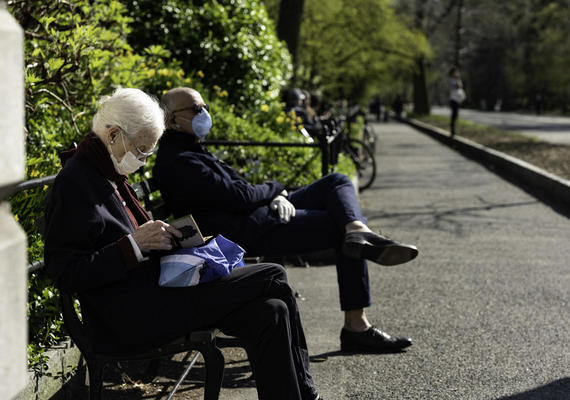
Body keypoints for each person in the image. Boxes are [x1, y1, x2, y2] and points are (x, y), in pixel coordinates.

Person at [43, 88, 323, 400]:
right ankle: (309, 395)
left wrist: (166, 238)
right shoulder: (77, 182)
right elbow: (66, 272)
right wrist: (133, 245)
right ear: (113, 135)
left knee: (271, 312)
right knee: (272, 275)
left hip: (157, 293)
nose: (144, 159)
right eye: (142, 149)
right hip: (130, 315)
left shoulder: (106, 172)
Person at [153, 87, 419, 353]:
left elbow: (240, 193)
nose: (205, 114)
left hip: (260, 214)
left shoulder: (190, 149)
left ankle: (357, 229)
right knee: (337, 230)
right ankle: (356, 326)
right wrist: (275, 189)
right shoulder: (179, 160)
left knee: (336, 181)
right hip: (251, 230)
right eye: (196, 109)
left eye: (205, 107)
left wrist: (271, 195)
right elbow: (241, 196)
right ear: (170, 119)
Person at [449, 66, 465, 136]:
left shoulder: (457, 79)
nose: (457, 73)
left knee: (456, 115)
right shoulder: (451, 79)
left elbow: (461, 86)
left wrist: (458, 80)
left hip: (457, 99)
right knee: (454, 115)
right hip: (453, 99)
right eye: (456, 72)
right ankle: (452, 130)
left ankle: (454, 130)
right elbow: (457, 86)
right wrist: (458, 80)